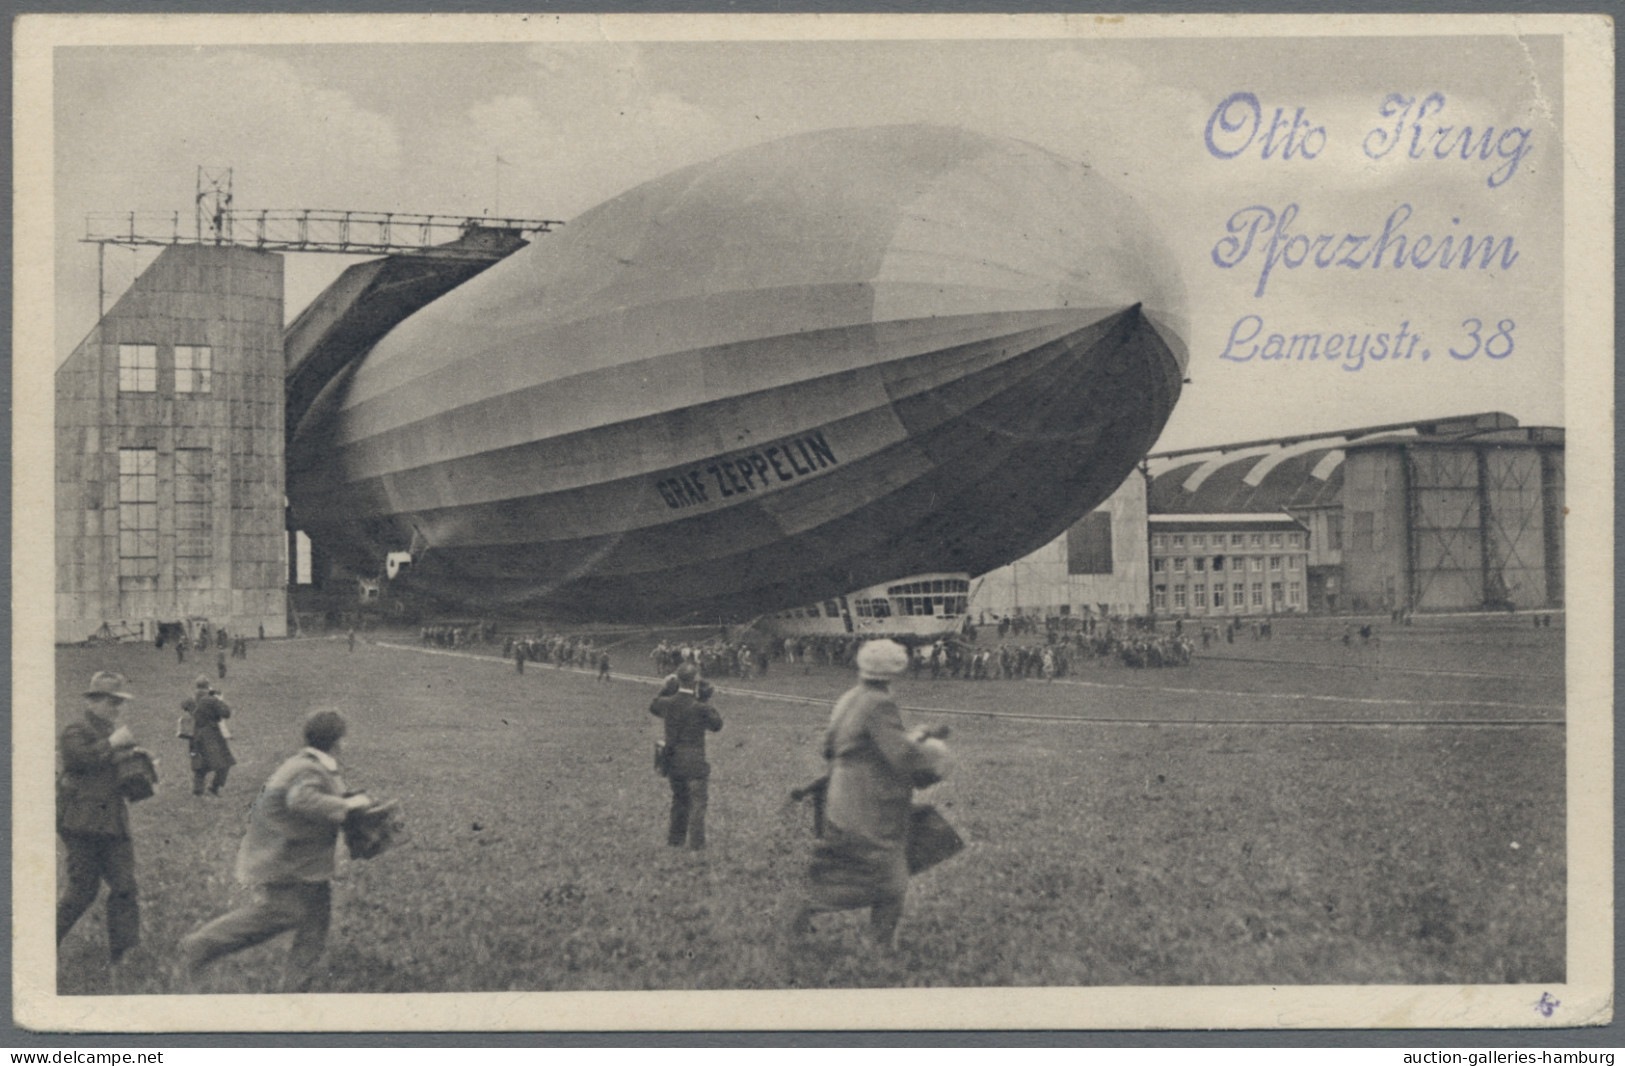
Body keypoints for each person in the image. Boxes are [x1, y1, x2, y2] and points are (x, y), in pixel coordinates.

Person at [178, 710, 374, 991]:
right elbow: (302, 800)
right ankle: (200, 945)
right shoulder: (309, 769)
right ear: (337, 741)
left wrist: (349, 800)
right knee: (282, 913)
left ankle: (296, 989)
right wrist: (347, 807)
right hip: (285, 861)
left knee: (316, 924)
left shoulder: (308, 764)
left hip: (304, 862)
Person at [790, 639, 949, 950]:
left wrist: (915, 735)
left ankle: (800, 912)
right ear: (896, 669)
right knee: (889, 878)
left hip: (841, 797)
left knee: (862, 870)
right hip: (868, 803)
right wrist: (934, 759)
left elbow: (836, 745)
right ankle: (876, 945)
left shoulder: (850, 698)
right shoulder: (880, 703)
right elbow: (901, 757)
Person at [57, 671, 142, 964]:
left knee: (125, 887)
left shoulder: (110, 733)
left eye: (120, 703)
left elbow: (115, 773)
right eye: (111, 702)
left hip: (113, 823)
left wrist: (141, 767)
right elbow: (77, 759)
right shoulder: (75, 730)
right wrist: (115, 743)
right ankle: (44, 943)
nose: (116, 708)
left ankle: (123, 954)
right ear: (92, 701)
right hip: (81, 824)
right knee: (82, 891)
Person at [649, 662, 722, 850]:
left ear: (678, 680)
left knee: (679, 800)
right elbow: (717, 725)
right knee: (698, 802)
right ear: (695, 681)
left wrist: (665, 688)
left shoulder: (668, 703)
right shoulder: (700, 707)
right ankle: (697, 844)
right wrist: (705, 699)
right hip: (695, 761)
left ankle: (675, 841)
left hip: (673, 760)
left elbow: (654, 706)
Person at [184, 676, 236, 797]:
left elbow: (185, 705)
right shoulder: (211, 699)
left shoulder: (191, 699)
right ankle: (214, 787)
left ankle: (197, 792)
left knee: (199, 765)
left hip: (195, 735)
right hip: (211, 735)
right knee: (225, 762)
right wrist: (219, 699)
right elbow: (226, 713)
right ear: (208, 686)